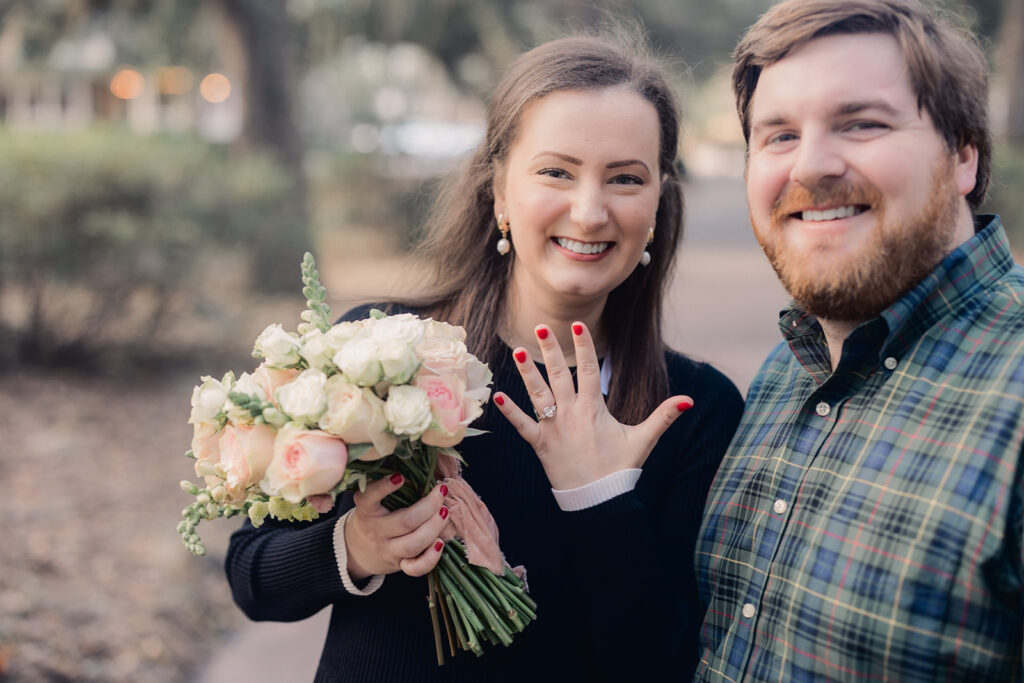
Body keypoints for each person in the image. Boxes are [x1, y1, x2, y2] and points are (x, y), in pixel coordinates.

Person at [225, 34, 744, 682]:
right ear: (499, 188)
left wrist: (600, 500)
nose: (589, 210)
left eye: (625, 178)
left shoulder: (691, 411)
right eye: (556, 171)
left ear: (660, 200)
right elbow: (251, 576)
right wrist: (354, 547)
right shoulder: (378, 357)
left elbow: (662, 662)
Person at [688, 0, 1024, 680]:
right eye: (777, 136)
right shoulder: (786, 372)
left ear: (963, 154)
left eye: (862, 123)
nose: (809, 166)